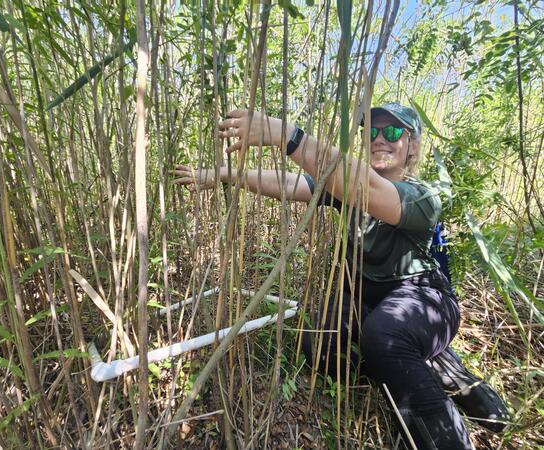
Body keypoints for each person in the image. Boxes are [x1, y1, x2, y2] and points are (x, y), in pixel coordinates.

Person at [173, 103, 508, 449]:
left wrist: (284, 134)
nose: (380, 139)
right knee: (318, 344)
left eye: (393, 132)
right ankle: (423, 360)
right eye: (372, 132)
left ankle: (444, 430)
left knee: (385, 337)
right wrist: (226, 174)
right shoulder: (344, 187)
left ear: (411, 145)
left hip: (423, 298)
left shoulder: (423, 198)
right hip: (366, 298)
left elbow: (371, 190)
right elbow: (291, 183)